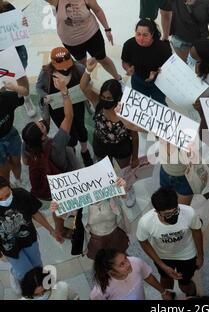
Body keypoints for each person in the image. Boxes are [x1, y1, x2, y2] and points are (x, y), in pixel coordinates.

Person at [22, 76, 85, 254]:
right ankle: (72, 226)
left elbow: (25, 162)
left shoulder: (28, 147)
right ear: (42, 136)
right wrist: (64, 93)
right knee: (71, 207)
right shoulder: (56, 145)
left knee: (57, 208)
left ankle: (59, 230)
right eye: (41, 127)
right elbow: (69, 116)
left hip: (48, 190)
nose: (42, 123)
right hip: (65, 184)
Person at [80, 58, 138, 207]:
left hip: (122, 146)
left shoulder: (125, 111)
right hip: (100, 144)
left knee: (125, 172)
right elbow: (83, 87)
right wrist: (88, 70)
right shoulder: (98, 104)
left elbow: (134, 135)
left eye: (109, 98)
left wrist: (135, 157)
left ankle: (128, 189)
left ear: (117, 98)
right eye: (103, 97)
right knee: (106, 171)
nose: (105, 100)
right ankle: (112, 188)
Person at [136, 187, 203, 297]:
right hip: (163, 256)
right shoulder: (145, 222)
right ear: (157, 211)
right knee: (166, 281)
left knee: (185, 284)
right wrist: (162, 265)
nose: (173, 215)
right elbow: (143, 242)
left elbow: (197, 231)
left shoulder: (189, 212)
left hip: (187, 254)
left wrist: (200, 256)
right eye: (167, 214)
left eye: (175, 211)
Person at [36, 47, 93, 166]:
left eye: (67, 64)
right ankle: (71, 151)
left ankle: (84, 150)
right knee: (68, 134)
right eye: (60, 65)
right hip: (57, 110)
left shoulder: (79, 68)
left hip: (76, 105)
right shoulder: (46, 73)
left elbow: (87, 82)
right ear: (52, 63)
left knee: (81, 129)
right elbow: (39, 87)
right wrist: (45, 96)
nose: (65, 68)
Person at [50, 178, 131, 260]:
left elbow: (124, 196)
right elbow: (63, 214)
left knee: (122, 257)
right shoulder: (79, 203)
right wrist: (57, 208)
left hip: (116, 235)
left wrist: (122, 186)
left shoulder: (110, 193)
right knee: (103, 263)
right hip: (97, 240)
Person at [0, 177, 59, 282]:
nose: (5, 200)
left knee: (37, 266)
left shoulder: (21, 194)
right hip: (10, 248)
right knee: (25, 274)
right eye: (0, 199)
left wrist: (51, 230)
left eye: (7, 195)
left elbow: (35, 213)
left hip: (29, 240)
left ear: (10, 188)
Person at [45, 0, 122, 81]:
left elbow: (97, 10)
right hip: (71, 42)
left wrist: (107, 29)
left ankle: (118, 78)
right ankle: (87, 83)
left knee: (102, 58)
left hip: (92, 34)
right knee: (82, 64)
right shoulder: (57, 1)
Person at [121, 19, 172, 105]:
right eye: (138, 34)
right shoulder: (129, 45)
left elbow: (170, 69)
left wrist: (156, 73)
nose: (141, 38)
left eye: (145, 35)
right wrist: (128, 69)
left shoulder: (163, 48)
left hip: (158, 83)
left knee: (160, 105)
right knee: (140, 104)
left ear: (152, 34)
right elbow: (125, 62)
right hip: (138, 80)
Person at [90, 248, 174, 300]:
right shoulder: (100, 291)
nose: (128, 264)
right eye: (121, 264)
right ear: (110, 271)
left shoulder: (136, 262)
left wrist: (163, 292)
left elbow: (147, 276)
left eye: (125, 258)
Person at [0, 0, 36, 117]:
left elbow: (19, 23)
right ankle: (5, 103)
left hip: (16, 49)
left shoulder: (7, 6)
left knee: (21, 75)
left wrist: (23, 23)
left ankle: (26, 98)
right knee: (2, 82)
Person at [0, 82, 27, 185]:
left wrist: (16, 87)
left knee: (16, 162)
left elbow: (24, 93)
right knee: (3, 170)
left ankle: (18, 179)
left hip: (11, 135)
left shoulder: (6, 98)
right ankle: (7, 187)